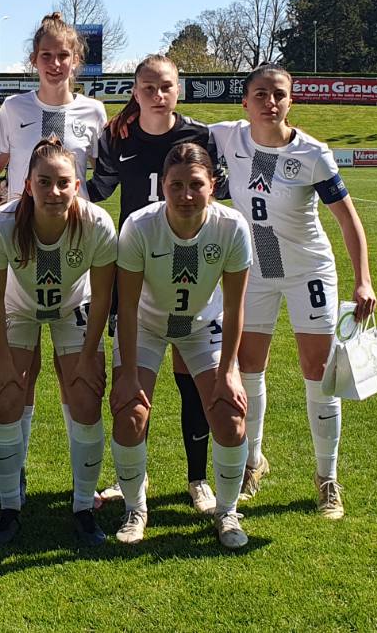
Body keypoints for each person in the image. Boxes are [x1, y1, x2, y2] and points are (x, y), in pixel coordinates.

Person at [209, 64, 376, 520]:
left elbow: (348, 220)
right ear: (245, 102)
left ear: (291, 101)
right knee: (248, 367)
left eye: (279, 94)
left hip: (308, 270)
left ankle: (327, 478)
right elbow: (170, 125)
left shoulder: (313, 154)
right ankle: (252, 463)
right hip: (257, 269)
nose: (270, 102)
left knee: (318, 370)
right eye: (261, 94)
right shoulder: (227, 136)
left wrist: (363, 278)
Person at [88, 53, 227, 515]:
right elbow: (99, 188)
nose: (158, 94)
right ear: (134, 92)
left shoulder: (199, 136)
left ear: (178, 89)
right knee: (133, 386)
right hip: (136, 271)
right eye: (148, 87)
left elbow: (221, 191)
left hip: (190, 267)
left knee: (192, 382)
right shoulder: (117, 136)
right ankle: (133, 478)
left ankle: (197, 479)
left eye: (166, 86)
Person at [0, 12, 108, 495]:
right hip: (21, 250)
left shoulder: (94, 112)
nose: (55, 64)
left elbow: (105, 175)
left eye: (63, 56)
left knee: (80, 383)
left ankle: (83, 497)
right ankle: (14, 484)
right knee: (18, 380)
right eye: (46, 56)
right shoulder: (13, 108)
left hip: (73, 252)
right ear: (33, 60)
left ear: (77, 60)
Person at [111, 143, 253, 549]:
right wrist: (129, 375)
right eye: (176, 185)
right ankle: (135, 509)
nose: (186, 195)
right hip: (147, 326)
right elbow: (127, 306)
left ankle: (227, 512)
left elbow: (234, 306)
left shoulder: (231, 227)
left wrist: (228, 373)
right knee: (130, 413)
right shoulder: (140, 226)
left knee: (229, 416)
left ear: (213, 186)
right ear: (163, 187)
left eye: (195, 185)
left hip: (201, 327)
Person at [0, 137, 116, 545]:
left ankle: (82, 507)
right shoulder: (2, 224)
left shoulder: (96, 224)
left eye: (62, 183)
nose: (53, 192)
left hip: (73, 306)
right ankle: (10, 507)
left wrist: (88, 356)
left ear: (77, 185)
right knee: (7, 396)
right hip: (17, 307)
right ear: (27, 185)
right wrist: (3, 360)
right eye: (44, 182)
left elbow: (103, 296)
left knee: (86, 397)